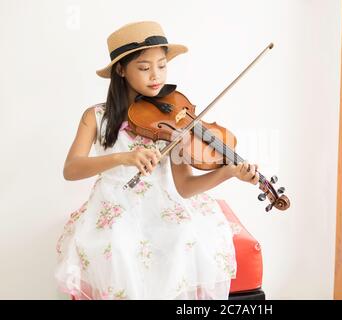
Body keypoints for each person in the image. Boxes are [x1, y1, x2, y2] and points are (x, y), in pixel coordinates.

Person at [54, 21, 260, 300]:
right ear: (120, 69)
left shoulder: (175, 117)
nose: (156, 75)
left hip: (166, 204)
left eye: (162, 66)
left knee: (182, 235)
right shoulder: (95, 116)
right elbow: (71, 168)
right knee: (117, 246)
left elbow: (185, 186)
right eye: (144, 67)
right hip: (117, 203)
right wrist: (122, 158)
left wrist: (229, 173)